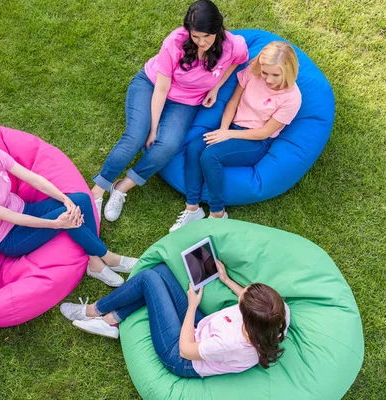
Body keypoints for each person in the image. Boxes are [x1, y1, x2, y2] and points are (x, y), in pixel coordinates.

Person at [91, 0, 249, 222]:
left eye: (207, 36)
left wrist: (216, 86)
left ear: (218, 30)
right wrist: (154, 128)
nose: (202, 42)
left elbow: (236, 61)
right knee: (136, 137)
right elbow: (162, 88)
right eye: (196, 37)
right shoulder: (174, 42)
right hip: (151, 85)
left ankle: (121, 188)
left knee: (169, 146)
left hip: (186, 101)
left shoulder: (234, 45)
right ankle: (97, 192)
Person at [0, 130, 138, 287]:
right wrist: (55, 223)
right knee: (67, 218)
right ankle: (109, 257)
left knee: (80, 199)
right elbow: (12, 218)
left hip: (24, 209)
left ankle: (94, 261)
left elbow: (33, 178)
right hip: (9, 237)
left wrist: (64, 199)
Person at [60, 259, 290, 378]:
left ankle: (92, 311)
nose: (242, 294)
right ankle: (111, 320)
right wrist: (226, 279)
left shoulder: (232, 343)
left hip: (180, 355)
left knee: (148, 279)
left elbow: (186, 350)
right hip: (205, 328)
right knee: (161, 271)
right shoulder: (277, 313)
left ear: (247, 318)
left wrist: (191, 307)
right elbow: (249, 299)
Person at [170, 41, 302, 232]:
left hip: (255, 141)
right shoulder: (252, 72)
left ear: (288, 71)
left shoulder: (292, 97)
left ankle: (218, 213)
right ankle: (192, 208)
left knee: (210, 156)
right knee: (194, 148)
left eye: (275, 75)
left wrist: (228, 134)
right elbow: (232, 103)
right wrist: (224, 129)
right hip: (231, 127)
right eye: (265, 73)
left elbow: (265, 132)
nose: (268, 79)